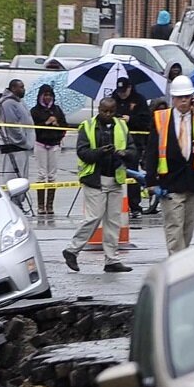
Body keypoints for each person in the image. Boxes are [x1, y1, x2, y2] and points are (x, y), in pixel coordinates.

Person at [144, 74, 194, 254]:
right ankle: (175, 267)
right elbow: (152, 152)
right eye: (180, 97)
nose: (184, 101)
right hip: (171, 181)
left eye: (187, 97)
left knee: (187, 229)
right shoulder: (161, 118)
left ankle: (181, 263)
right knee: (174, 227)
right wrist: (151, 181)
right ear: (173, 98)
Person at [62, 97, 136, 274]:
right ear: (99, 110)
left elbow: (133, 151)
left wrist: (124, 153)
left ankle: (111, 260)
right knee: (93, 218)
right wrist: (100, 152)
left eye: (111, 111)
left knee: (113, 221)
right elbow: (82, 152)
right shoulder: (87, 126)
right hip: (95, 179)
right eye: (104, 111)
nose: (108, 114)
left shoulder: (122, 126)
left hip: (115, 179)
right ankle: (72, 250)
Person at [111, 78, 150, 219]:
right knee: (114, 173)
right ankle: (116, 205)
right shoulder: (113, 99)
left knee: (132, 173)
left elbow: (146, 122)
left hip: (134, 143)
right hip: (116, 143)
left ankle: (135, 206)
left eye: (124, 91)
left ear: (130, 88)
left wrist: (130, 119)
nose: (122, 94)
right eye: (120, 91)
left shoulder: (139, 100)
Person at [30, 83, 67, 218]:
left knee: (52, 175)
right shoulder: (35, 111)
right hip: (40, 144)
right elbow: (32, 127)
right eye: (45, 95)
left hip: (54, 145)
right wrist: (46, 123)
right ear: (40, 96)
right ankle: (40, 205)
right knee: (41, 174)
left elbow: (65, 126)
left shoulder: (57, 110)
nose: (47, 97)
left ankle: (49, 205)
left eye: (49, 95)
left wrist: (57, 125)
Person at [0, 79, 34, 189]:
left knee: (22, 177)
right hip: (15, 147)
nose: (24, 90)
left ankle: (19, 200)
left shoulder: (19, 102)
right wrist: (23, 141)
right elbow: (12, 126)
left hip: (23, 147)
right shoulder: (8, 103)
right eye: (21, 87)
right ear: (13, 88)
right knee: (13, 177)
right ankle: (12, 200)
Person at [141, 98, 170, 215]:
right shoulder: (152, 124)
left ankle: (154, 204)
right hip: (154, 160)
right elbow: (150, 148)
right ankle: (152, 204)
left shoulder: (169, 124)